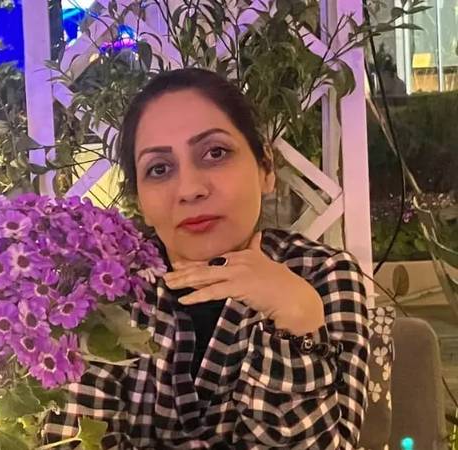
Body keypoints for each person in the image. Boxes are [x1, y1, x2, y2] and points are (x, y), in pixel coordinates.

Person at [43, 68, 370, 449]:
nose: (190, 189)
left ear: (265, 168)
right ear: (139, 201)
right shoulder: (102, 289)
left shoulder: (324, 275)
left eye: (215, 153)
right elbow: (72, 441)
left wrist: (297, 317)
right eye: (159, 169)